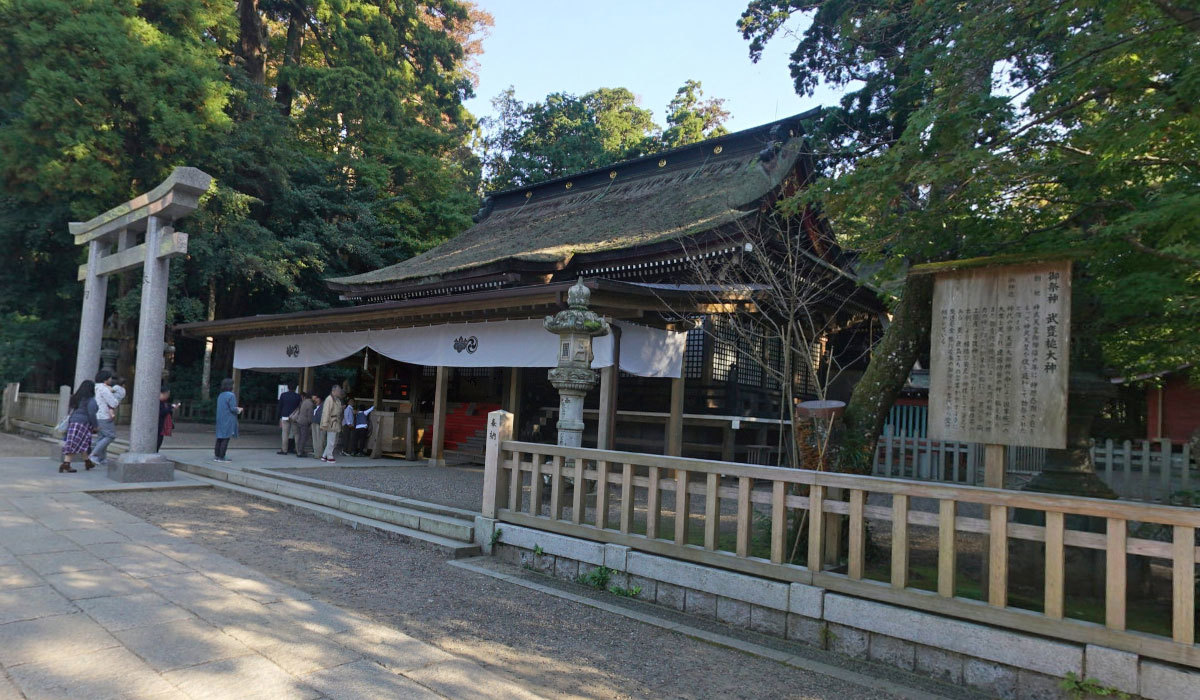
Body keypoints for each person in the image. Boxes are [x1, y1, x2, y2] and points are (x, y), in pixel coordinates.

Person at [59, 380, 98, 473]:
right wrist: (95, 426)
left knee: (82, 442)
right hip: (83, 423)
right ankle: (66, 464)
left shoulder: (76, 397)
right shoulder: (91, 400)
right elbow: (92, 413)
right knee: (75, 443)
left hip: (73, 421)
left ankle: (87, 462)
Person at [89, 370, 125, 466]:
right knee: (110, 436)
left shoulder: (95, 387)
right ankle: (94, 455)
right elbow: (113, 403)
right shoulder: (104, 389)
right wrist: (117, 398)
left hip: (96, 414)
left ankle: (102, 458)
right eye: (110, 378)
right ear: (105, 379)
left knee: (102, 437)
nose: (111, 380)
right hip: (104, 415)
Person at [214, 378, 242, 462]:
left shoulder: (221, 395)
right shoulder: (231, 395)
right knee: (226, 437)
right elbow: (233, 408)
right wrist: (239, 410)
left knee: (219, 437)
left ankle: (217, 455)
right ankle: (222, 457)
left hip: (220, 418)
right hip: (228, 418)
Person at [318, 385, 345, 463]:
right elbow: (326, 412)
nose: (339, 392)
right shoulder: (329, 399)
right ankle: (329, 456)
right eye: (338, 391)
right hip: (331, 422)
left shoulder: (337, 400)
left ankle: (324, 456)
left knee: (331, 440)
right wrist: (325, 423)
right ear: (334, 391)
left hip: (335, 421)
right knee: (331, 441)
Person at [276, 383, 302, 455]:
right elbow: (300, 407)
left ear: (288, 388)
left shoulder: (283, 395)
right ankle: (298, 450)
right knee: (296, 434)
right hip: (294, 417)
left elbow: (280, 406)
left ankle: (284, 450)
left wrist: (279, 417)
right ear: (296, 388)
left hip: (284, 416)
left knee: (285, 434)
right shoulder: (298, 396)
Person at [291, 391, 315, 458]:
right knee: (303, 438)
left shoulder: (304, 402)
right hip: (305, 422)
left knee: (300, 437)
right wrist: (310, 422)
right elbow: (310, 415)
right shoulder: (310, 403)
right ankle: (300, 452)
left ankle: (298, 450)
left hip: (299, 421)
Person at [158, 388, 180, 452]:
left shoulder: (164, 402)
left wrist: (171, 407)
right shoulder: (158, 402)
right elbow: (161, 412)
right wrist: (171, 408)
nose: (168, 396)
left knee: (160, 440)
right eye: (167, 394)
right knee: (158, 440)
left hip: (162, 424)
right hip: (159, 424)